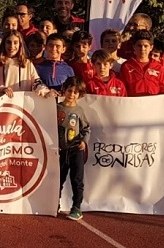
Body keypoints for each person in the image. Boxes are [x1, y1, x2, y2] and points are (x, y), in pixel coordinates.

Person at [57, 76, 90, 221]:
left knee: (77, 179)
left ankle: (76, 207)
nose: (71, 95)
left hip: (76, 149)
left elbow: (86, 128)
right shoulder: (56, 107)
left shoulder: (79, 110)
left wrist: (84, 141)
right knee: (58, 180)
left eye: (75, 92)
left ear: (80, 95)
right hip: (59, 151)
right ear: (64, 90)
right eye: (69, 91)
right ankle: (54, 203)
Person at [119, 30, 164, 97]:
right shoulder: (126, 66)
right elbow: (121, 88)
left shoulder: (158, 67)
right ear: (134, 46)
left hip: (153, 105)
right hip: (133, 105)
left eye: (146, 46)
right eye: (139, 46)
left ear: (151, 47)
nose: (142, 49)